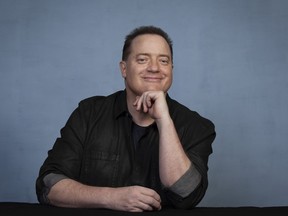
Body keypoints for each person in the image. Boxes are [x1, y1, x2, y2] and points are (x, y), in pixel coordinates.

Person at [36, 25, 216, 212]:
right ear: (124, 68)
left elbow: (186, 194)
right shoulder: (88, 114)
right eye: (142, 59)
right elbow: (48, 185)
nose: (154, 68)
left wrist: (164, 120)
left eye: (163, 61)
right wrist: (110, 197)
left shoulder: (197, 126)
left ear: (171, 69)